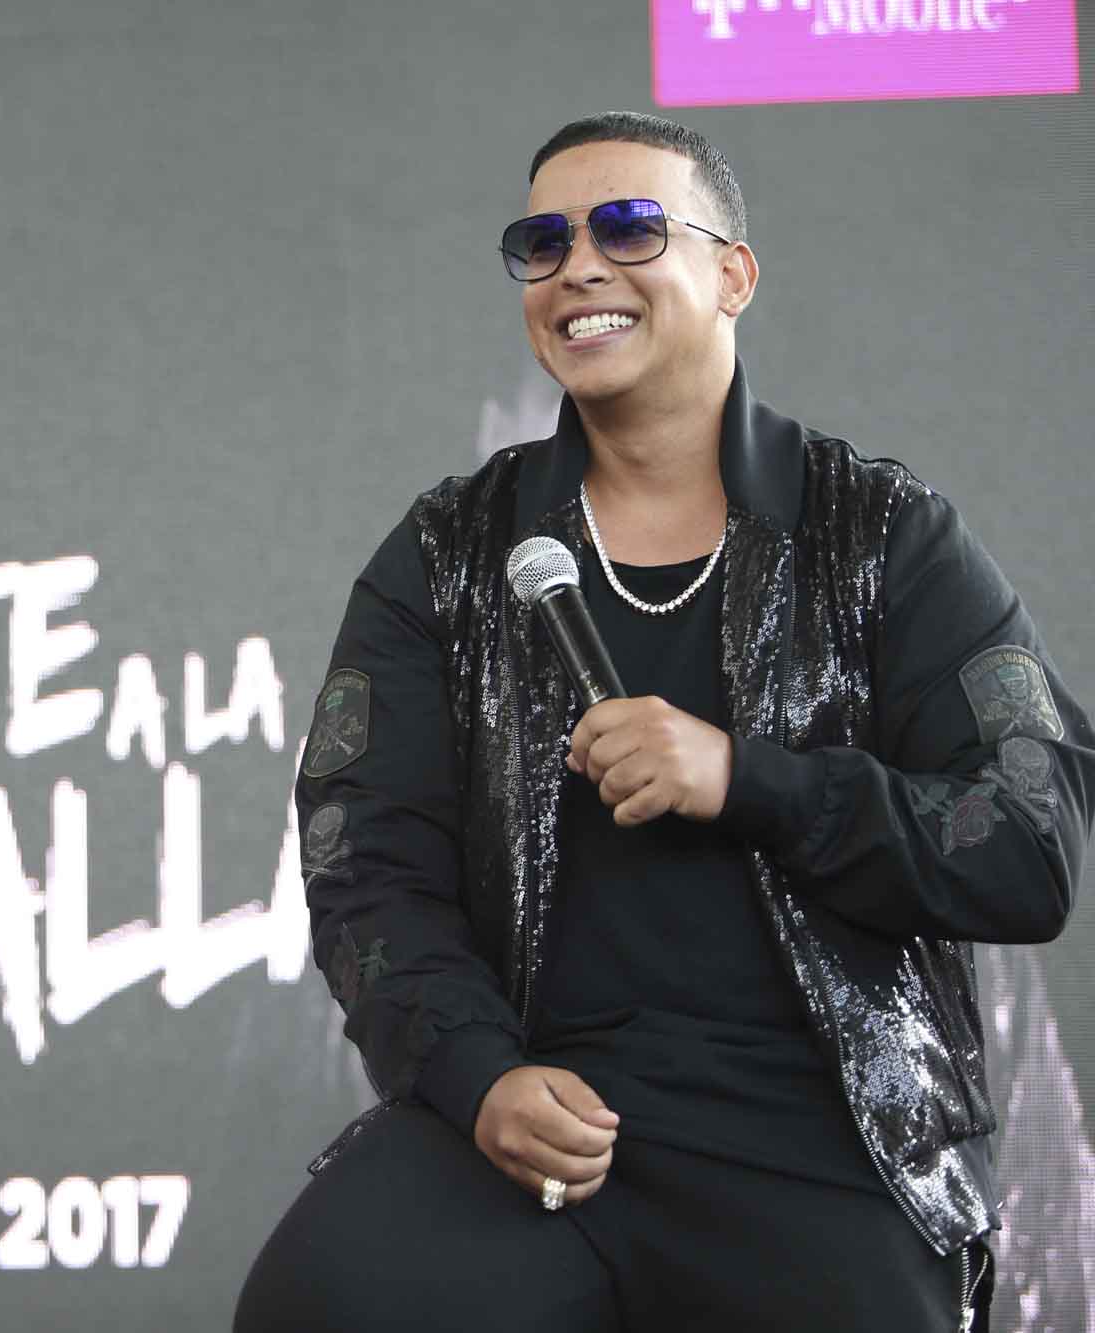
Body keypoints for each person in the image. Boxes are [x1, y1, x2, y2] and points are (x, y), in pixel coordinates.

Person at [233, 112, 1093, 1332]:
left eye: (629, 228)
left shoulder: (885, 536)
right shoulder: (445, 556)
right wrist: (479, 1078)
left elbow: (1028, 843)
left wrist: (749, 777)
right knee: (318, 1299)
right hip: (542, 1114)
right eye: (544, 242)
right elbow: (363, 865)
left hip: (828, 1130)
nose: (579, 266)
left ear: (733, 275)